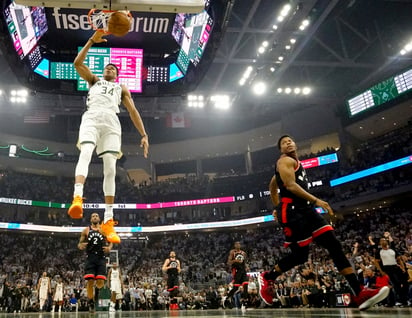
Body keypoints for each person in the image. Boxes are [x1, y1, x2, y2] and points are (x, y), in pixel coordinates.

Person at [258, 134, 390, 311]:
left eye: (290, 140)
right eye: (283, 142)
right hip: (293, 213)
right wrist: (313, 201)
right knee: (300, 256)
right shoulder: (283, 162)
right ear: (281, 149)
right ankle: (268, 276)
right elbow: (288, 185)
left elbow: (273, 185)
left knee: (334, 245)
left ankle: (359, 292)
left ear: (295, 143)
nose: (288, 142)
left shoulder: (295, 163)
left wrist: (277, 205)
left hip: (306, 211)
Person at [68, 30, 149, 244]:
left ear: (117, 74)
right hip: (92, 117)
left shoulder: (121, 88)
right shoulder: (94, 80)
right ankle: (77, 197)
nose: (110, 69)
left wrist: (143, 134)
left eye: (113, 68)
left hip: (112, 122)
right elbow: (77, 63)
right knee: (85, 152)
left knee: (111, 169)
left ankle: (109, 219)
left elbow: (133, 111)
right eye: (107, 67)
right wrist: (91, 41)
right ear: (103, 72)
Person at [78, 212, 113, 313]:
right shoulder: (86, 230)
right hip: (91, 258)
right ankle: (91, 302)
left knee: (100, 282)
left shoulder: (103, 230)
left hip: (101, 258)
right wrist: (80, 245)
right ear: (90, 219)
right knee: (90, 281)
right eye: (93, 216)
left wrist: (109, 248)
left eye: (96, 216)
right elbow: (80, 243)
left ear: (99, 218)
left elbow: (111, 241)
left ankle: (96, 294)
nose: (95, 217)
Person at [226, 241, 249, 309]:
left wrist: (246, 267)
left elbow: (244, 262)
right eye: (236, 244)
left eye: (239, 244)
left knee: (246, 285)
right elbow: (228, 262)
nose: (238, 245)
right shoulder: (232, 252)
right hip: (236, 271)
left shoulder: (243, 253)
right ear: (234, 245)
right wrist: (235, 261)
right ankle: (228, 298)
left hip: (243, 271)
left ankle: (245, 302)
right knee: (235, 288)